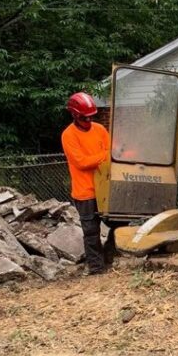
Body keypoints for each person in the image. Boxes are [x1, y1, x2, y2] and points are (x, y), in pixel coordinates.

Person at [61, 92, 112, 274]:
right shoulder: (69, 135)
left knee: (118, 224)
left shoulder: (100, 129)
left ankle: (110, 258)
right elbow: (81, 162)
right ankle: (97, 269)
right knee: (91, 232)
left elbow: (112, 152)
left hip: (105, 188)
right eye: (85, 117)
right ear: (75, 115)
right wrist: (103, 157)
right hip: (85, 192)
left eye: (92, 117)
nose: (89, 121)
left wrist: (101, 157)